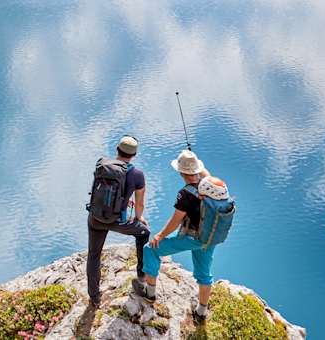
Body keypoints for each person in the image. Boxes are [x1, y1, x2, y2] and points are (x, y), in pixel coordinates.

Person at [133, 150, 225, 323]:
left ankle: (150, 294)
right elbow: (205, 173)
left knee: (150, 250)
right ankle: (201, 312)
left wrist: (159, 236)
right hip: (210, 237)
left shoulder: (185, 194)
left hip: (193, 237)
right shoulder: (212, 185)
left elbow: (175, 221)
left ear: (181, 172)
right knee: (204, 274)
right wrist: (195, 160)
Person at [85, 135, 150, 306]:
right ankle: (141, 278)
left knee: (94, 255)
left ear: (117, 149)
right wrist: (139, 218)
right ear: (134, 154)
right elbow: (140, 203)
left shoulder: (102, 165)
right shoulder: (137, 174)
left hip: (96, 217)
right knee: (144, 233)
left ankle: (94, 296)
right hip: (117, 221)